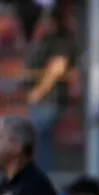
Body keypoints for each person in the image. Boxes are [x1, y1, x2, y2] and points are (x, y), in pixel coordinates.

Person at [23, 5, 77, 172]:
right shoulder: (45, 40)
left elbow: (56, 69)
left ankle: (41, 175)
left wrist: (37, 92)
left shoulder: (62, 41)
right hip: (41, 102)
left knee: (38, 139)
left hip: (49, 101)